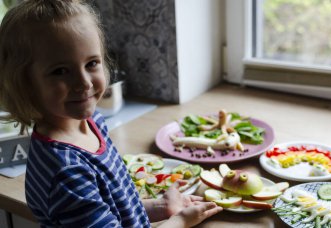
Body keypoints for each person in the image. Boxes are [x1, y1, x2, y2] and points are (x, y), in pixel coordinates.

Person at [0, 0, 223, 227]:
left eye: (91, 63)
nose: (83, 82)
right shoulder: (66, 172)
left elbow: (116, 208)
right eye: (60, 71)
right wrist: (181, 222)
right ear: (25, 84)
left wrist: (161, 207)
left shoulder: (91, 121)